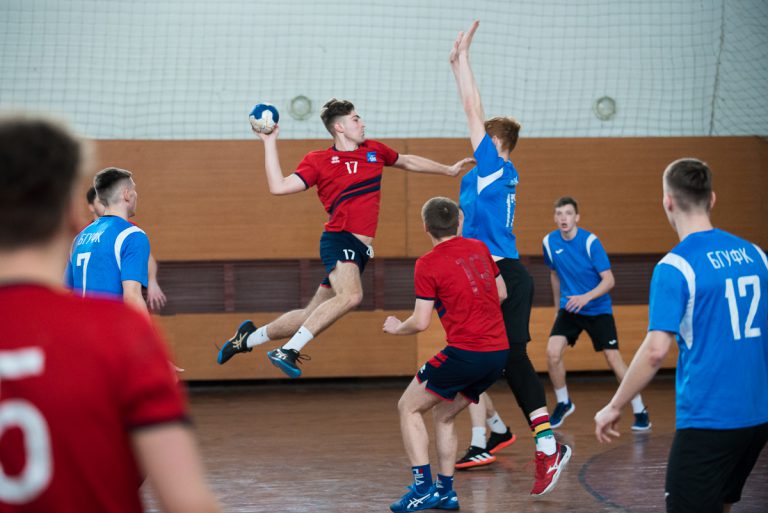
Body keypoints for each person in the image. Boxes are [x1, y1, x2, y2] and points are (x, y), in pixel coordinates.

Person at [0, 114, 220, 513]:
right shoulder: (132, 236)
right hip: (102, 351)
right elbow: (132, 295)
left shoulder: (84, 237)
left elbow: (64, 288)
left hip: (61, 344)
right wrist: (156, 355)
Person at [216, 98, 473, 378]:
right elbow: (278, 186)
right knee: (351, 296)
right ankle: (287, 350)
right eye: (355, 119)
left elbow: (406, 160)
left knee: (309, 315)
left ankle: (247, 339)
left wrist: (447, 170)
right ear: (339, 127)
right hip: (339, 239)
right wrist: (269, 142)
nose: (362, 123)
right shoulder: (318, 161)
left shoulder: (374, 150)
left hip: (359, 250)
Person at [595, 158, 768, 513]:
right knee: (721, 503)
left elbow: (656, 351)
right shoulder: (757, 256)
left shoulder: (675, 267)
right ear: (712, 199)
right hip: (757, 418)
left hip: (709, 420)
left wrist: (614, 405)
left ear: (668, 202)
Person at [449, 20, 571, 495]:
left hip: (505, 275)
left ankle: (544, 443)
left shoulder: (494, 167)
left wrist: (461, 61)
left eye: (481, 137)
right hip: (488, 274)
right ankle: (504, 433)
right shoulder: (483, 178)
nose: (473, 139)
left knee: (510, 358)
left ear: (494, 144)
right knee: (495, 359)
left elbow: (471, 107)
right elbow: (465, 225)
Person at [382, 197, 510, 512]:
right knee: (444, 414)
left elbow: (420, 321)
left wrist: (397, 328)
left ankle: (422, 490)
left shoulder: (427, 263)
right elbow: (502, 292)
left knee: (408, 407)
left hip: (466, 353)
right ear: (459, 222)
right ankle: (446, 492)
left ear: (426, 227)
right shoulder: (479, 248)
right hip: (498, 354)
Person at [544, 196, 651, 430]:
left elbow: (609, 280)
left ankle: (640, 409)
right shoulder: (549, 242)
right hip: (570, 308)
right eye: (559, 214)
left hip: (597, 308)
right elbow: (554, 274)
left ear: (577, 217)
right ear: (555, 218)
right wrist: (557, 308)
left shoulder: (590, 242)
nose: (563, 218)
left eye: (568, 213)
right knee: (552, 352)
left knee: (613, 358)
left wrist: (586, 297)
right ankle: (564, 402)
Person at [66, 168, 150, 313]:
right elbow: (132, 297)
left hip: (80, 324)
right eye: (134, 190)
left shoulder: (78, 239)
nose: (136, 195)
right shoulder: (132, 235)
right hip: (109, 324)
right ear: (126, 194)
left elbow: (66, 291)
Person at [86, 185, 167, 311]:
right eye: (101, 201)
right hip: (95, 303)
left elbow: (147, 258)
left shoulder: (128, 229)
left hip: (124, 302)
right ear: (91, 207)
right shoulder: (83, 235)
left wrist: (152, 282)